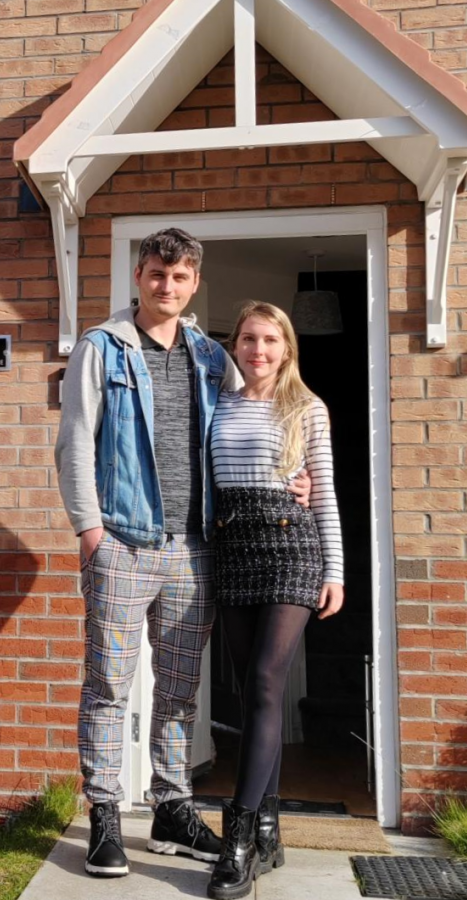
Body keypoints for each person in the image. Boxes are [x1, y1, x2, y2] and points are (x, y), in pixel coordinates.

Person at [55, 230, 311, 879]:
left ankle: (171, 807)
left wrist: (294, 475)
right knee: (110, 686)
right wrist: (91, 532)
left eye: (179, 277)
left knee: (177, 692)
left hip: (195, 548)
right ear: (138, 276)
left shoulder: (208, 355)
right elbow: (75, 444)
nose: (166, 286)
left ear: (194, 283)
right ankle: (106, 814)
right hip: (122, 543)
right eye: (156, 274)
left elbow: (256, 416)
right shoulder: (101, 348)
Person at [206, 302, 344, 900]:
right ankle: (269, 827)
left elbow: (326, 492)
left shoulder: (307, 408)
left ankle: (236, 840)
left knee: (265, 681)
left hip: (291, 544)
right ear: (233, 346)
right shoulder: (217, 403)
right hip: (233, 547)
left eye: (270, 340)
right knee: (247, 689)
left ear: (286, 348)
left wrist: (335, 569)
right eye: (248, 339)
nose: (257, 350)